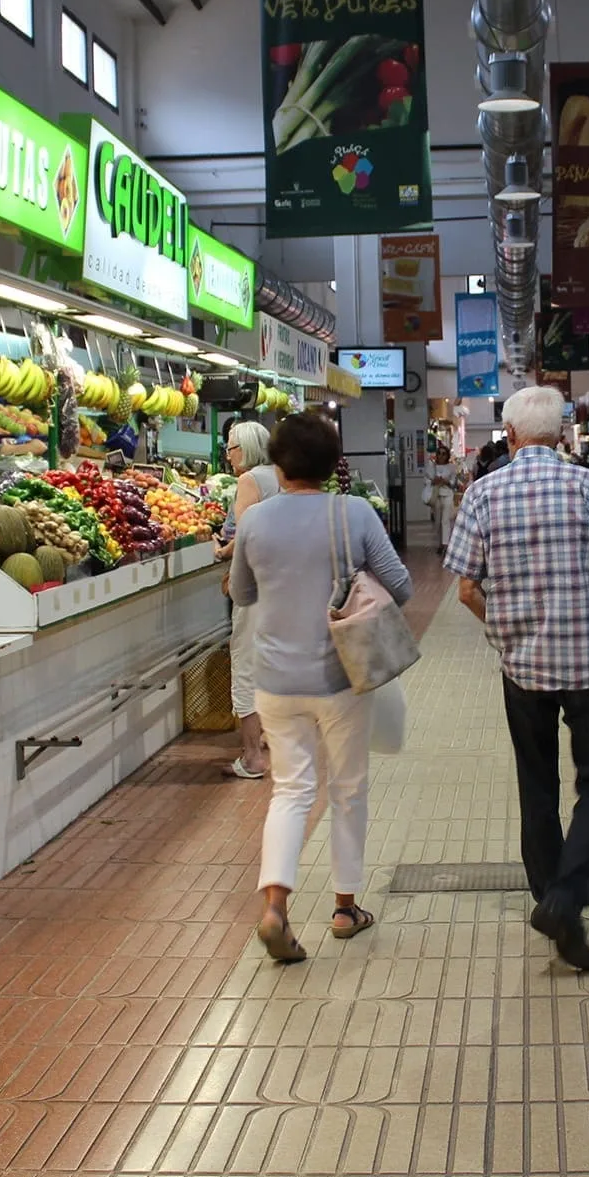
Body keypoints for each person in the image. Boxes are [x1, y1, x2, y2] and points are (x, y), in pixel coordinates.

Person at [447, 386, 589, 973]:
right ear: (560, 433)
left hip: (522, 669)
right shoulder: (588, 487)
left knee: (537, 785)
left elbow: (466, 589)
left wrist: (504, 629)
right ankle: (567, 899)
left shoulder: (483, 494)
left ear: (511, 433)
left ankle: (551, 896)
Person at [231, 413, 414, 964]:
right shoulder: (352, 512)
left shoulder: (255, 520)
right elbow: (401, 586)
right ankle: (343, 908)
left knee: (291, 791)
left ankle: (274, 909)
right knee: (348, 789)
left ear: (278, 464)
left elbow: (241, 593)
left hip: (275, 681)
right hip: (339, 676)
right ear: (335, 464)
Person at [212, 419, 278, 779]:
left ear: (247, 449)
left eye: (231, 447)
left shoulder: (249, 480)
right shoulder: (282, 475)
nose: (228, 454)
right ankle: (269, 737)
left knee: (247, 667)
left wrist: (224, 556)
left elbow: (248, 534)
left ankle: (252, 758)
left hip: (255, 587)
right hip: (283, 587)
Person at [428, 447, 458, 556]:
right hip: (436, 495)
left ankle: (445, 544)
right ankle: (440, 543)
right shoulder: (432, 467)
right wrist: (433, 481)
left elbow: (454, 483)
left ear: (447, 455)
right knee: (438, 520)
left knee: (445, 520)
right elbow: (427, 480)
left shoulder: (451, 467)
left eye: (444, 454)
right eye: (439, 453)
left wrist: (446, 481)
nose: (441, 456)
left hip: (447, 494)